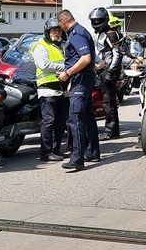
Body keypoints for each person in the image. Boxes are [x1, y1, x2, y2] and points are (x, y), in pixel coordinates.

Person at [56, 9, 99, 171]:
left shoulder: (76, 34)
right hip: (82, 79)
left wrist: (67, 73)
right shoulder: (81, 31)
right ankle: (92, 152)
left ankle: (77, 159)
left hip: (80, 79)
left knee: (75, 119)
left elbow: (85, 58)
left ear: (62, 22)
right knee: (87, 117)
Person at [32, 18, 69, 162]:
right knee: (49, 121)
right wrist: (67, 67)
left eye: (59, 30)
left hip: (62, 89)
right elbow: (44, 64)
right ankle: (45, 152)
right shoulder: (40, 45)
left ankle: (55, 149)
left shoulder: (63, 45)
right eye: (54, 30)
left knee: (61, 121)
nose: (56, 32)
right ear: (47, 31)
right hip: (48, 89)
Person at [89, 8, 124, 140]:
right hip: (101, 69)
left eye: (98, 20)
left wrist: (111, 71)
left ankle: (110, 131)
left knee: (108, 102)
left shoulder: (110, 34)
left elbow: (117, 53)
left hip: (108, 71)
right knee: (106, 101)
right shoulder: (100, 33)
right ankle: (113, 130)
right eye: (94, 20)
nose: (96, 22)